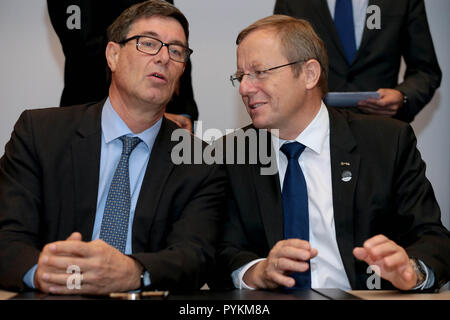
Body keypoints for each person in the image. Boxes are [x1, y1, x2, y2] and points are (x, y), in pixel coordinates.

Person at [0, 0, 225, 294]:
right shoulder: (39, 134)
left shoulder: (201, 162)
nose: (163, 58)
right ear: (113, 55)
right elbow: (7, 236)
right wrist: (42, 272)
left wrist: (133, 271)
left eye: (176, 51)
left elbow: (196, 256)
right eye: (148, 43)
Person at [214, 15, 449, 291]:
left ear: (309, 74)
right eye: (241, 76)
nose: (244, 88)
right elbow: (216, 250)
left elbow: (433, 239)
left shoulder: (386, 143)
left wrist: (412, 270)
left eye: (259, 72)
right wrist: (255, 272)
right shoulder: (231, 154)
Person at [274, 0, 442, 123]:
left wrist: (403, 97)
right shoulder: (292, 2)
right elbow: (278, 66)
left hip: (381, 132)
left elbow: (426, 71)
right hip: (311, 129)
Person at [47, 0, 198, 131]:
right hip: (89, 114)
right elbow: (82, 49)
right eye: (148, 43)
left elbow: (173, 40)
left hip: (166, 118)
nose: (163, 58)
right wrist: (140, 115)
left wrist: (183, 112)